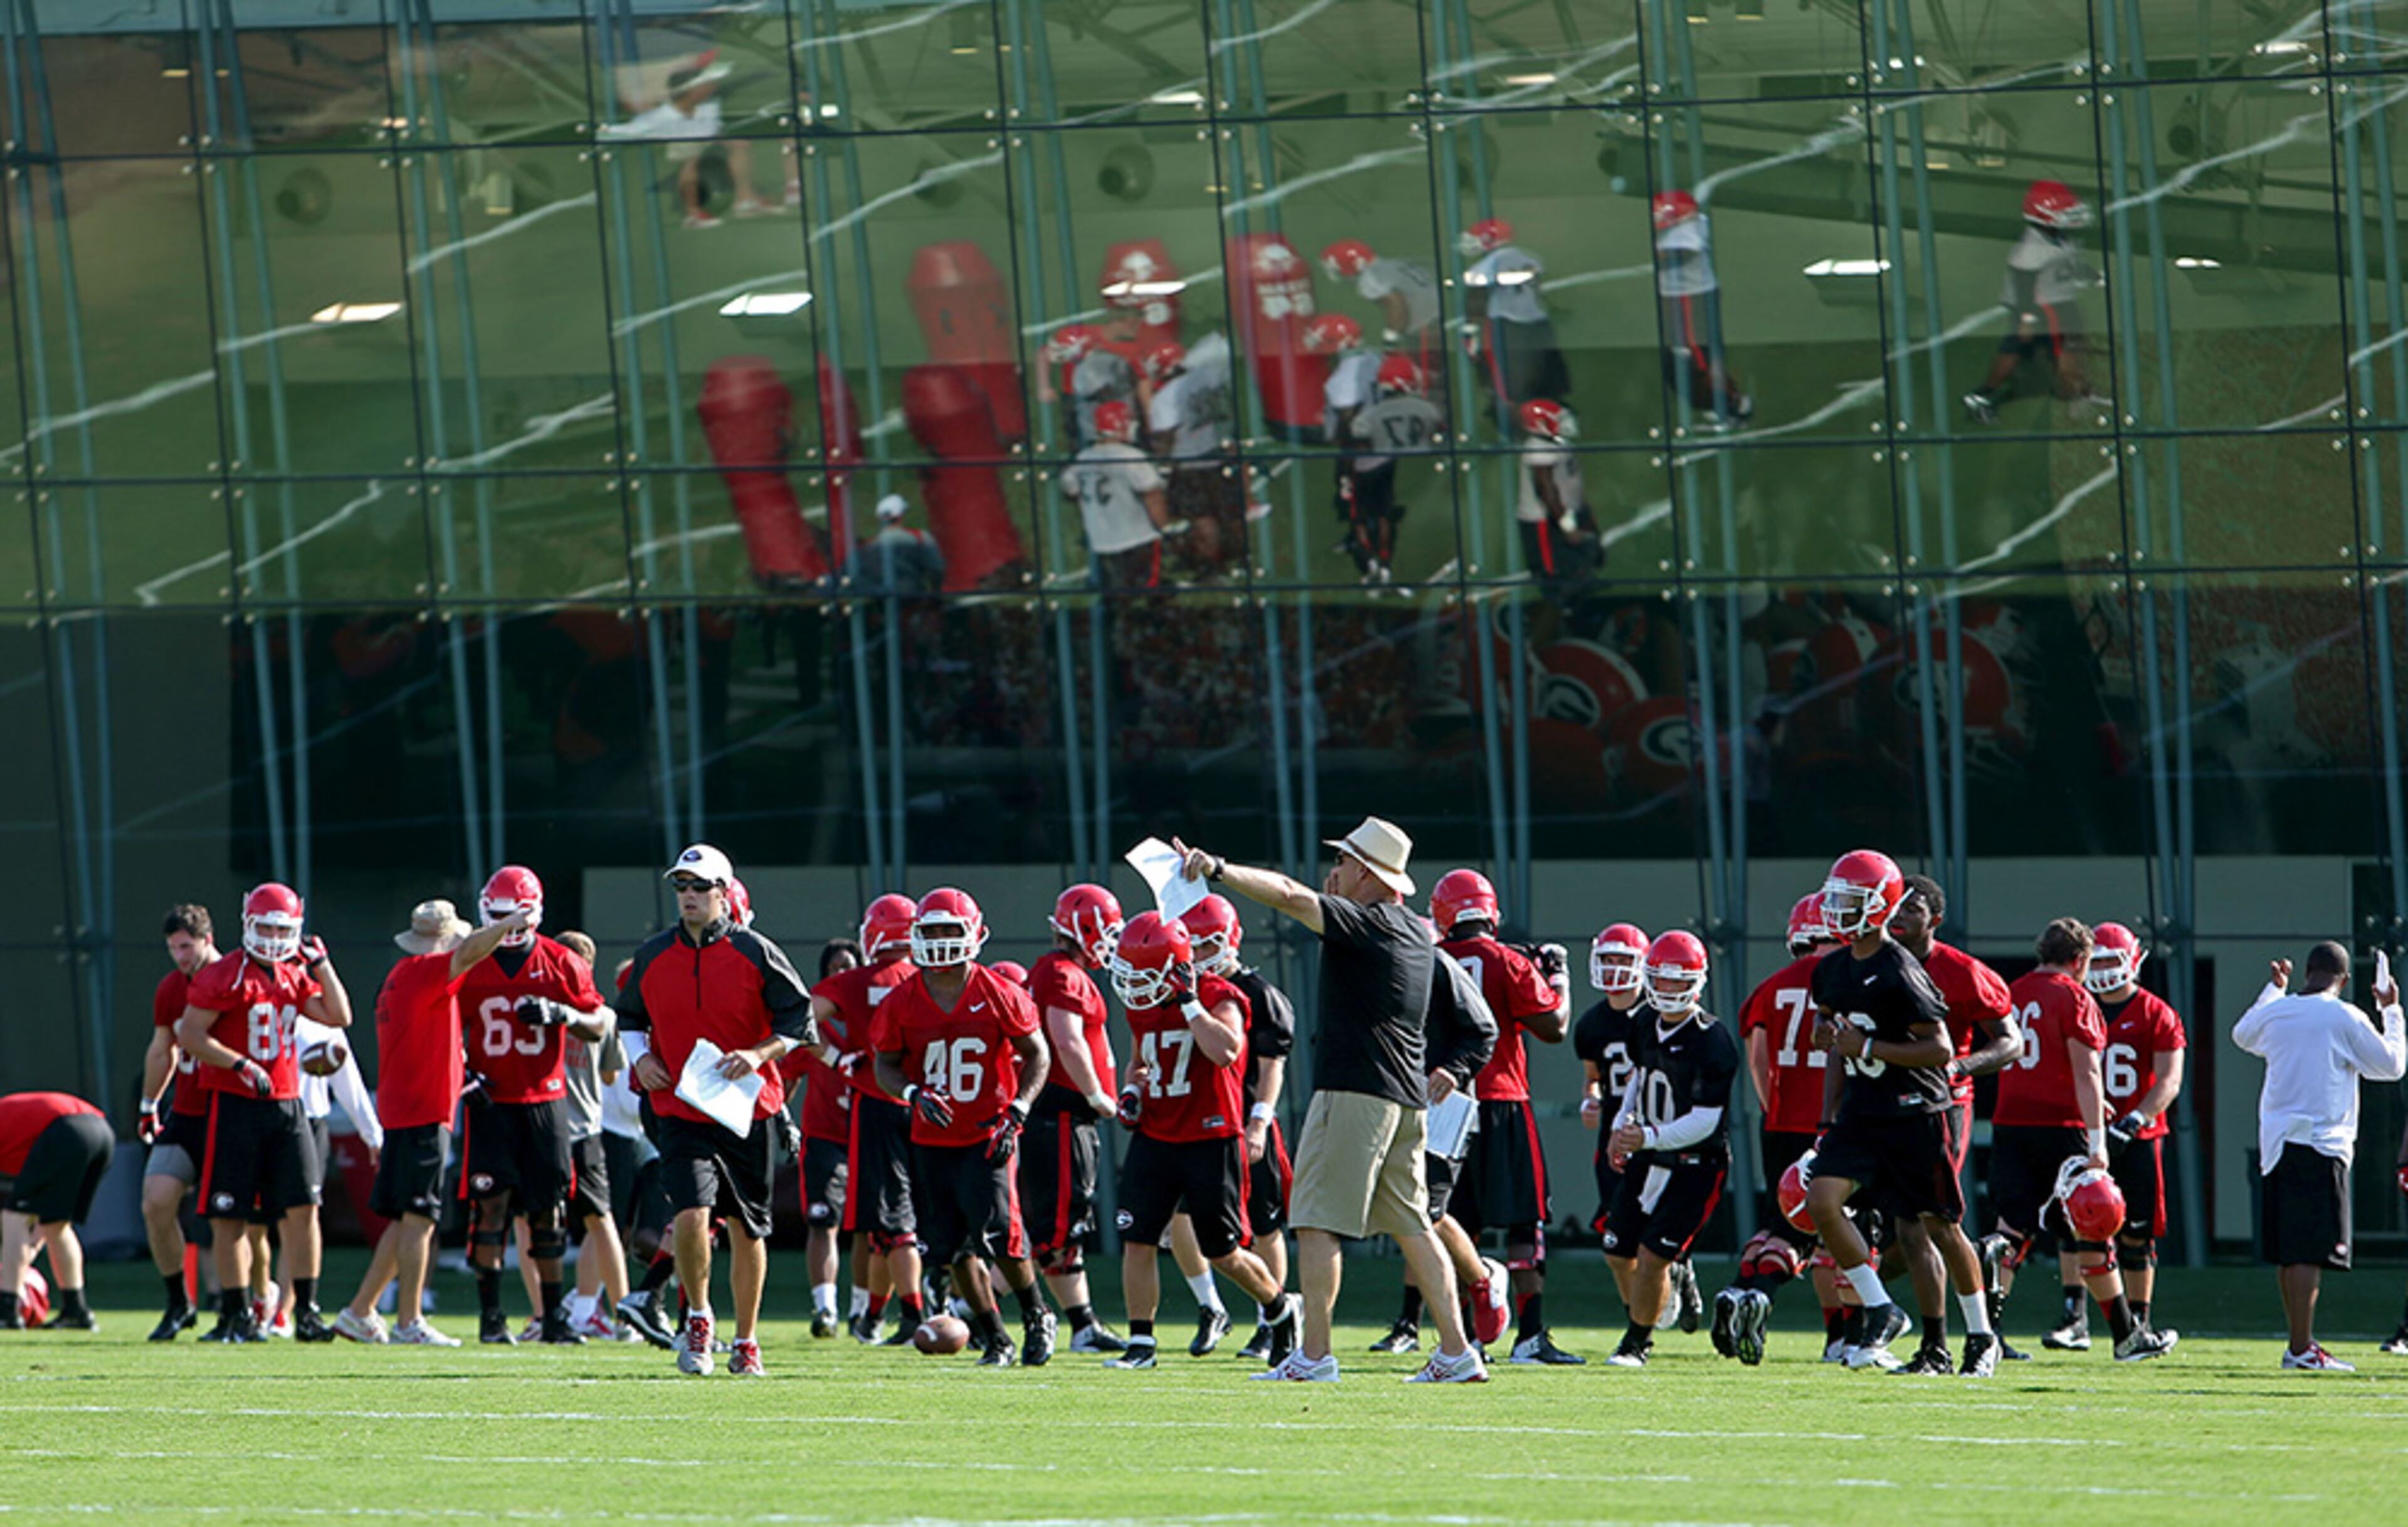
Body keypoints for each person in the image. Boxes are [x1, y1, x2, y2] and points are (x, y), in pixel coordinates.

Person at [1173, 817, 1489, 1384]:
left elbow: (1292, 896)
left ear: (1368, 871)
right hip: (1406, 1099)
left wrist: (1217, 869)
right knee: (1416, 1224)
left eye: (1344, 861)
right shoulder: (1418, 932)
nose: (1335, 871)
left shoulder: (1366, 923)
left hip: (1356, 1094)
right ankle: (1459, 1351)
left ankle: (1314, 1356)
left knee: (1317, 1222)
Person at [618, 844, 816, 1377]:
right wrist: (643, 1058)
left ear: (724, 892)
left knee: (748, 1229)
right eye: (682, 886)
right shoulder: (654, 953)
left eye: (700, 887)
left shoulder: (757, 951)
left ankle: (747, 1339)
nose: (689, 895)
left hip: (746, 1110)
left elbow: (801, 1023)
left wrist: (757, 1054)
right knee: (691, 1211)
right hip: (680, 1108)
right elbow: (629, 1017)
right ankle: (699, 1319)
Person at [1800, 850, 1999, 1376]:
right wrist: (1831, 1082)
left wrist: (1865, 1046)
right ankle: (1882, 1306)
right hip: (1864, 1112)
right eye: (1836, 898)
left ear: (1880, 906)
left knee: (1937, 1226)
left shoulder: (1899, 968)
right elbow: (1835, 1041)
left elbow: (1938, 1047)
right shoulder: (1831, 969)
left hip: (1916, 1109)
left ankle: (1980, 1335)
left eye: (1851, 901)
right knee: (1821, 1200)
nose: (1838, 910)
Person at [1101, 912, 1301, 1372]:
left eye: (1141, 970)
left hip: (1210, 1135)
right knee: (1138, 1237)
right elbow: (1140, 1062)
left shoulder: (1218, 995)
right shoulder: (1143, 1002)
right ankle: (1141, 1342)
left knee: (1224, 1250)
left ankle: (1279, 1307)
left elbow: (1227, 1049)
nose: (1132, 982)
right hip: (1156, 1134)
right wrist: (1131, 1090)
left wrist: (1190, 1002)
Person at [870, 888, 1056, 1368]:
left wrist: (1017, 1109)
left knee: (1001, 1236)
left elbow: (1038, 1054)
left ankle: (1037, 1314)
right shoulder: (901, 1000)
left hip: (988, 1132)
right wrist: (913, 1094)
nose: (940, 939)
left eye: (950, 929)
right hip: (931, 1140)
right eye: (930, 930)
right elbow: (884, 1065)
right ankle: (996, 1337)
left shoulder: (999, 992)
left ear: (974, 933)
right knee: (953, 1249)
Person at [335, 899, 529, 1346]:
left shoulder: (402, 976)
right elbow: (470, 952)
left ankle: (360, 1310)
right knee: (421, 1215)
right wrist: (507, 924)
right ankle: (409, 1319)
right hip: (422, 1109)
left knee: (408, 1216)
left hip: (408, 1107)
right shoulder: (426, 969)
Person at [1980, 919, 2173, 1363]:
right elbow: (2087, 1073)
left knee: (2009, 1231)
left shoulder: (2015, 989)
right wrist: (2098, 1141)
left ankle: (1988, 1333)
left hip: (2011, 1123)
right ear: (2080, 959)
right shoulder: (2074, 995)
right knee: (2095, 1224)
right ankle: (2127, 1333)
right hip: (2061, 1126)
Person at [174, 882, 354, 1345]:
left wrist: (323, 964)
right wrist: (238, 1063)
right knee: (229, 1214)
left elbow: (339, 1015)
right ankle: (235, 1313)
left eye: (283, 928)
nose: (275, 937)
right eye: (267, 926)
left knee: (304, 1210)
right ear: (248, 923)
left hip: (287, 1105)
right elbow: (191, 1034)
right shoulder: (224, 974)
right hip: (235, 1105)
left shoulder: (295, 973)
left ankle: (308, 1310)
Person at [455, 866, 611, 1347]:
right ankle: (491, 1315)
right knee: (491, 1210)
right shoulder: (466, 961)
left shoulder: (562, 961)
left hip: (545, 1099)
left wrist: (562, 1014)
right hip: (489, 1100)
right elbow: (441, 1030)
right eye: (497, 915)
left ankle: (553, 1318)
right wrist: (461, 1072)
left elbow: (599, 1022)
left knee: (550, 1211)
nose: (505, 924)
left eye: (513, 915)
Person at [1427, 870, 1579, 1365]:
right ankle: (1530, 1335)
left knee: (1455, 1222)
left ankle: (1468, 1336)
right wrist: (1558, 976)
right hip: (1501, 1098)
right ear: (1489, 910)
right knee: (1523, 1221)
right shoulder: (1508, 961)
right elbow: (1554, 1026)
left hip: (1444, 1103)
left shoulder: (1428, 960)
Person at [2231, 943, 2405, 1371]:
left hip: (2276, 1144)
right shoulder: (2345, 1015)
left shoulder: (2279, 1010)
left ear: (2308, 972)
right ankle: (2302, 1345)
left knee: (2291, 1251)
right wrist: (2393, 1010)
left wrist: (2274, 990)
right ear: (2343, 980)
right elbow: (2392, 1064)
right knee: (2309, 1251)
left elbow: (2242, 1034)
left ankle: (2299, 1343)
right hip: (2321, 1142)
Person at [1886, 875, 2022, 1368]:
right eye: (1893, 906)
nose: (1898, 916)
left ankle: (1980, 1336)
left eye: (1912, 909)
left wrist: (1959, 1066)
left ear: (1935, 921)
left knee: (1933, 1222)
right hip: (1884, 1105)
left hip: (1942, 1106)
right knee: (1902, 1228)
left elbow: (2011, 1042)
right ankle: (1932, 1343)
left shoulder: (1962, 971)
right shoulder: (1874, 962)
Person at [1601, 932, 1736, 1368]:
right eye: (1663, 980)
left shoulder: (1712, 1039)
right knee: (1618, 1251)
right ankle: (1648, 1310)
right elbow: (1639, 1080)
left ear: (1697, 983)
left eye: (1681, 982)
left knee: (1652, 1255)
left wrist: (1648, 1136)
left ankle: (1636, 1342)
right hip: (1649, 1156)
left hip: (1697, 1163)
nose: (1671, 990)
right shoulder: (1643, 1022)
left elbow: (1706, 1119)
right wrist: (1622, 1126)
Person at [1718, 896, 1839, 1365]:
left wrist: (1774, 1107)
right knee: (1829, 1236)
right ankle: (1841, 1337)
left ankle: (1740, 1287)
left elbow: (1758, 1057)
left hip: (1781, 1121)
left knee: (1778, 1221)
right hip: (1829, 1123)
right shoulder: (1849, 981)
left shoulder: (1772, 987)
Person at [1180, 895, 1297, 1362]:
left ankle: (1273, 1315)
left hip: (1243, 1119)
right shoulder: (1182, 987)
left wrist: (1260, 1121)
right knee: (1183, 1218)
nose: (1200, 954)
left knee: (1265, 1223)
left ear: (1231, 939)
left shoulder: (1258, 992)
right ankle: (1211, 1305)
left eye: (1208, 943)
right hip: (1196, 1123)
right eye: (1192, 945)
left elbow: (1272, 1066)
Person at [1025, 885, 1129, 1356]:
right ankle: (972, 1306)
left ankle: (1083, 1325)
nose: (1111, 940)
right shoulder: (1061, 973)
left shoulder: (1065, 971)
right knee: (1056, 1227)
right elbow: (1067, 1041)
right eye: (1106, 929)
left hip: (1065, 1113)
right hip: (1063, 1111)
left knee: (1059, 1226)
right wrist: (1097, 1094)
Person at [820, 896, 925, 1346]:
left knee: (892, 1220)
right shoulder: (931, 978)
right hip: (929, 1105)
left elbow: (800, 1019)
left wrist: (837, 1057)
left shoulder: (854, 981)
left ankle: (914, 1312)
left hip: (878, 1102)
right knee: (899, 1220)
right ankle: (876, 1316)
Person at [2086, 921, 2187, 1347]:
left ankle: (2139, 1321)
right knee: (2084, 1229)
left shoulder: (2156, 1012)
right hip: (2087, 1135)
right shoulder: (2079, 1005)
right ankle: (2078, 1316)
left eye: (2113, 959)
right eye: (2099, 960)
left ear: (2133, 960)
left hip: (2138, 1137)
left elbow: (2169, 1080)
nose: (2106, 969)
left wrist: (2136, 1119)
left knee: (2136, 1235)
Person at [135, 904, 219, 1341]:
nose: (180, 956)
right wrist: (151, 1102)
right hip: (186, 1112)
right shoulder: (171, 987)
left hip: (231, 1111)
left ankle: (252, 1305)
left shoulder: (232, 979)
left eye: (186, 946)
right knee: (156, 1201)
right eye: (173, 948)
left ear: (207, 938)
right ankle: (178, 1301)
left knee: (240, 1219)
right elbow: (161, 1048)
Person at [778, 936, 863, 1339]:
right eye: (834, 971)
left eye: (848, 968)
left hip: (871, 1132)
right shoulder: (818, 1029)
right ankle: (826, 1308)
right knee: (823, 1220)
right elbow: (788, 1076)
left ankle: (867, 1312)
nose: (841, 977)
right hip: (826, 1135)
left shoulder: (878, 1018)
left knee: (876, 1227)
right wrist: (780, 1120)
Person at [1963, 179, 2104, 423]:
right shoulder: (2030, 250)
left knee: (2063, 350)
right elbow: (2024, 288)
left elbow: (2068, 263)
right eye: (2063, 211)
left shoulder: (2059, 238)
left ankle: (2078, 387)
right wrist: (2028, 319)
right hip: (2041, 305)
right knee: (2045, 352)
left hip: (2057, 299)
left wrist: (2092, 276)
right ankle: (1985, 394)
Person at [551, 928, 633, 1341]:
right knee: (601, 1222)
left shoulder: (545, 1008)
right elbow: (610, 1073)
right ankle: (621, 1314)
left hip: (548, 1124)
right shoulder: (603, 1013)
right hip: (586, 1126)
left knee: (535, 1221)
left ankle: (553, 1313)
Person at [594, 58, 773, 230]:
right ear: (692, 90)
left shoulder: (710, 104)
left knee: (740, 146)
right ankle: (693, 213)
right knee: (690, 159)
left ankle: (745, 199)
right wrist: (603, 134)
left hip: (707, 136)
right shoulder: (660, 117)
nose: (712, 87)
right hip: (684, 139)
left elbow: (716, 126)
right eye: (707, 85)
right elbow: (627, 130)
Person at [0, 1092, 115, 1330]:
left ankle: (7, 1311)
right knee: (54, 1224)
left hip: (66, 1129)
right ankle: (77, 1310)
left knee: (14, 1216)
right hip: (101, 1131)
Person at [1651, 190, 1752, 430]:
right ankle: (1718, 403)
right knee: (1678, 361)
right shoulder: (1685, 226)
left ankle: (1732, 405)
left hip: (1690, 299)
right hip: (1677, 298)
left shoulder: (1689, 232)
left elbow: (1679, 255)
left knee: (1699, 360)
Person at [1342, 357, 1442, 587]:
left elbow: (1360, 445)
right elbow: (1440, 433)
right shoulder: (1429, 410)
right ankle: (1385, 562)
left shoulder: (1369, 416)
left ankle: (1371, 562)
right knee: (1385, 516)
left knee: (1361, 518)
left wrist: (1347, 478)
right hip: (1420, 470)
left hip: (1379, 467)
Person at [1458, 217, 1567, 414]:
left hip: (1507, 327)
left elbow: (1478, 295)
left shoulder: (1491, 263)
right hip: (1539, 325)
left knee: (1507, 388)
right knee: (1543, 382)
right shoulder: (1530, 258)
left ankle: (1516, 424)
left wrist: (1470, 331)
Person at [1062, 399, 1175, 589]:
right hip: (1138, 538)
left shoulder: (1082, 459)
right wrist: (1166, 529)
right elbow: (1152, 496)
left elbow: (1070, 489)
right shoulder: (1131, 457)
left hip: (1101, 541)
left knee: (1117, 591)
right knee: (1152, 588)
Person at [1514, 401, 1601, 598]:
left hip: (1566, 512)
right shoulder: (1538, 449)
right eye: (1560, 419)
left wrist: (1583, 511)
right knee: (1556, 576)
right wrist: (1566, 525)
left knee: (1579, 566)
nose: (1567, 423)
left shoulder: (1559, 443)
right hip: (1546, 521)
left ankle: (1579, 590)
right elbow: (1546, 490)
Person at [853, 494, 948, 598]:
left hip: (880, 601)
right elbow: (936, 568)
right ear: (901, 515)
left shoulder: (870, 545)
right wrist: (936, 594)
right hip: (914, 598)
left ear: (880, 518)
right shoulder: (921, 537)